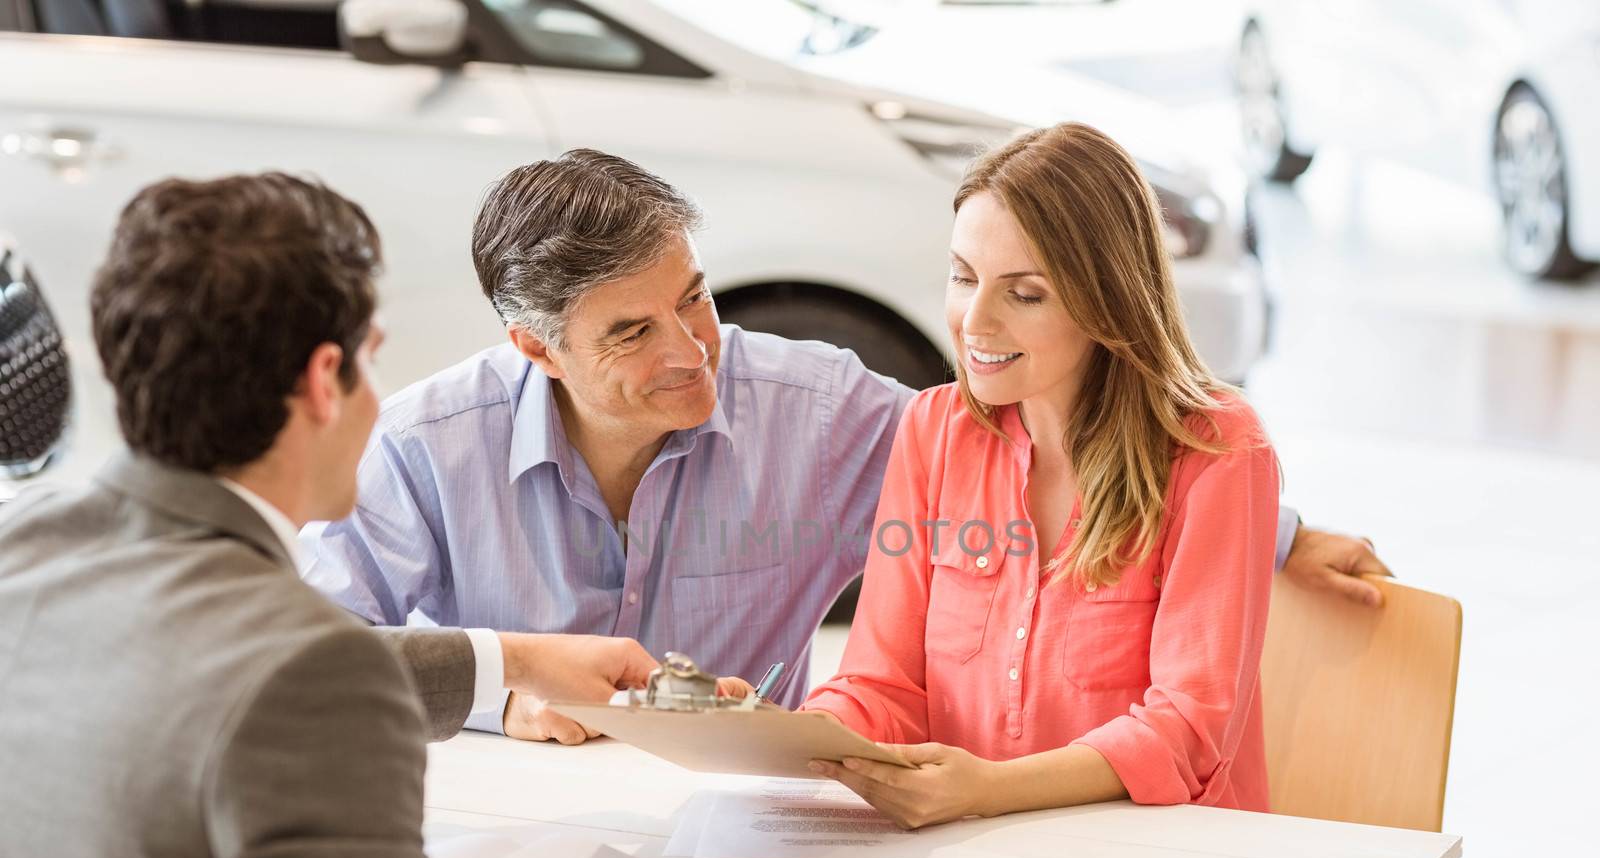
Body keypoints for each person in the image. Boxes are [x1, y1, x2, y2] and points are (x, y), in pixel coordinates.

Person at [0, 173, 894, 858]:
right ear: (325, 381)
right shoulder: (310, 678)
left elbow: (220, 667)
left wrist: (507, 662)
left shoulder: (23, 557)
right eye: (370, 357)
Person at [300, 149, 1390, 746]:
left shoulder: (816, 412)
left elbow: (1029, 441)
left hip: (733, 840)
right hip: (507, 823)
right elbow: (307, 659)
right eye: (633, 332)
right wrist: (504, 695)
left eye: (696, 299)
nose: (693, 352)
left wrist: (1276, 529)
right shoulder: (424, 449)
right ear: (534, 345)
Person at [798, 124, 1287, 828]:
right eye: (964, 278)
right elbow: (885, 685)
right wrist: (793, 738)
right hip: (975, 852)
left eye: (1024, 294)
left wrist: (988, 789)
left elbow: (1187, 731)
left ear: (1108, 301)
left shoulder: (1218, 450)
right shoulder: (935, 432)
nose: (975, 322)